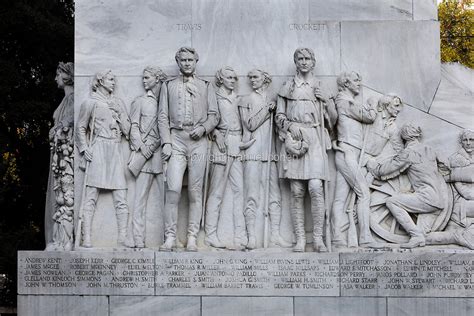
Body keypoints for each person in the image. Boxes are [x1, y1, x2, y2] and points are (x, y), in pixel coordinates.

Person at [158, 47, 219, 251]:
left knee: (195, 191)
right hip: (176, 139)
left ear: (196, 61)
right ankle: (170, 236)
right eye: (183, 60)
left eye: (190, 60)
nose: (186, 63)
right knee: (173, 190)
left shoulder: (205, 86)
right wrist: (166, 141)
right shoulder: (168, 86)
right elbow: (162, 117)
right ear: (178, 62)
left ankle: (192, 236)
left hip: (198, 141)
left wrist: (203, 128)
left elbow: (214, 115)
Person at [275, 48, 336, 252]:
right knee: (297, 190)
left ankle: (318, 238)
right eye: (300, 58)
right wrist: (290, 127)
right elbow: (279, 116)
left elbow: (333, 122)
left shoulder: (319, 86)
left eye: (307, 58)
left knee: (316, 187)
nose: (303, 62)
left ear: (313, 61)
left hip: (315, 137)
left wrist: (327, 101)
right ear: (295, 62)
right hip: (294, 137)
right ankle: (300, 239)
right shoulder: (287, 86)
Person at [367, 124, 450, 248]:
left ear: (403, 137)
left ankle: (415, 235)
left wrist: (372, 165)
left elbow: (384, 171)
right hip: (439, 202)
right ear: (418, 135)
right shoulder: (430, 149)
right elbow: (445, 166)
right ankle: (423, 236)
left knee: (391, 202)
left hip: (426, 199)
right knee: (424, 240)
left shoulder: (408, 153)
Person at [76, 70, 131, 248]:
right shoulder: (90, 103)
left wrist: (120, 116)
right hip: (98, 148)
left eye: (114, 79)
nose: (113, 83)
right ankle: (87, 237)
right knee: (90, 196)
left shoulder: (118, 103)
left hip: (114, 149)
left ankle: (122, 236)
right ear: (100, 81)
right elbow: (80, 128)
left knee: (121, 196)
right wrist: (84, 149)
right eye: (110, 79)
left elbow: (128, 130)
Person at [239, 69, 291, 249]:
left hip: (271, 154)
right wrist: (266, 110)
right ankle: (251, 236)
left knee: (275, 196)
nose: (252, 80)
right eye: (250, 77)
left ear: (265, 79)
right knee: (251, 195)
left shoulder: (274, 101)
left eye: (256, 77)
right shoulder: (245, 100)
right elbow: (250, 124)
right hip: (253, 152)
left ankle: (275, 234)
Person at [205, 66, 247, 250]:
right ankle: (210, 234)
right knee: (217, 191)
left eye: (234, 77)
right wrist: (215, 133)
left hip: (237, 142)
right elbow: (204, 119)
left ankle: (240, 235)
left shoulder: (237, 98)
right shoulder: (213, 96)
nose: (233, 80)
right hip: (221, 143)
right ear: (221, 79)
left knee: (239, 190)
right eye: (229, 77)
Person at [128, 66, 167, 248]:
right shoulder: (140, 101)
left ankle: (168, 238)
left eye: (147, 78)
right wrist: (142, 148)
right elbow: (133, 127)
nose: (144, 81)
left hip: (162, 156)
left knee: (168, 199)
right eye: (143, 78)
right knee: (140, 200)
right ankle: (138, 239)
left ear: (157, 79)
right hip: (145, 157)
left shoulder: (167, 103)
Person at [425, 129, 474, 249]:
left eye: (471, 140)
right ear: (461, 142)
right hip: (460, 203)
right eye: (465, 140)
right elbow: (463, 191)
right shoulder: (456, 159)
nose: (468, 143)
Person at [45, 62, 75, 251]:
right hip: (59, 153)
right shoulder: (66, 100)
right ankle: (58, 239)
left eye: (58, 74)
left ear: (66, 76)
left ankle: (63, 239)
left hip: (64, 156)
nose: (56, 78)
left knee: (62, 196)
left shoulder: (72, 99)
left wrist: (56, 130)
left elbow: (67, 124)